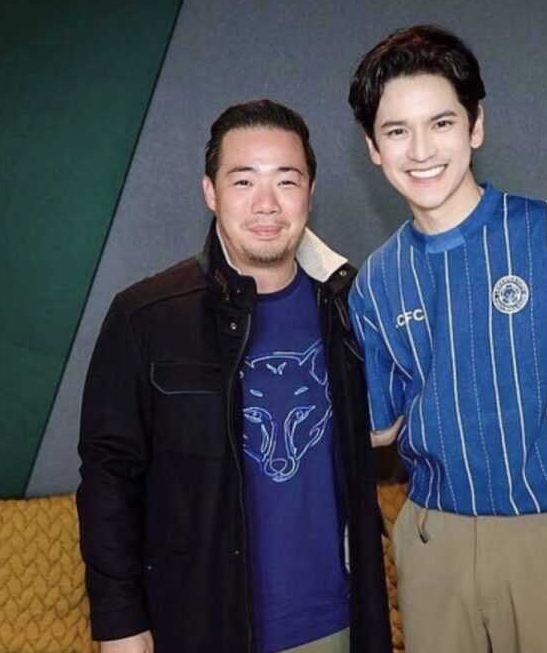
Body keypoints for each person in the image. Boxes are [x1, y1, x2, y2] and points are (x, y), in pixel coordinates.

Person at [347, 25, 547, 653]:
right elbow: (379, 427)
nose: (420, 150)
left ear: (476, 126)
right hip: (432, 542)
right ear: (374, 150)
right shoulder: (375, 281)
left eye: (440, 123)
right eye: (397, 131)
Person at [76, 99, 391, 653]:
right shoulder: (145, 316)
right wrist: (118, 621)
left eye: (286, 181)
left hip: (334, 624)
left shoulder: (352, 308)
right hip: (198, 627)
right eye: (243, 180)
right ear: (210, 191)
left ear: (310, 192)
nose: (266, 203)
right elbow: (108, 477)